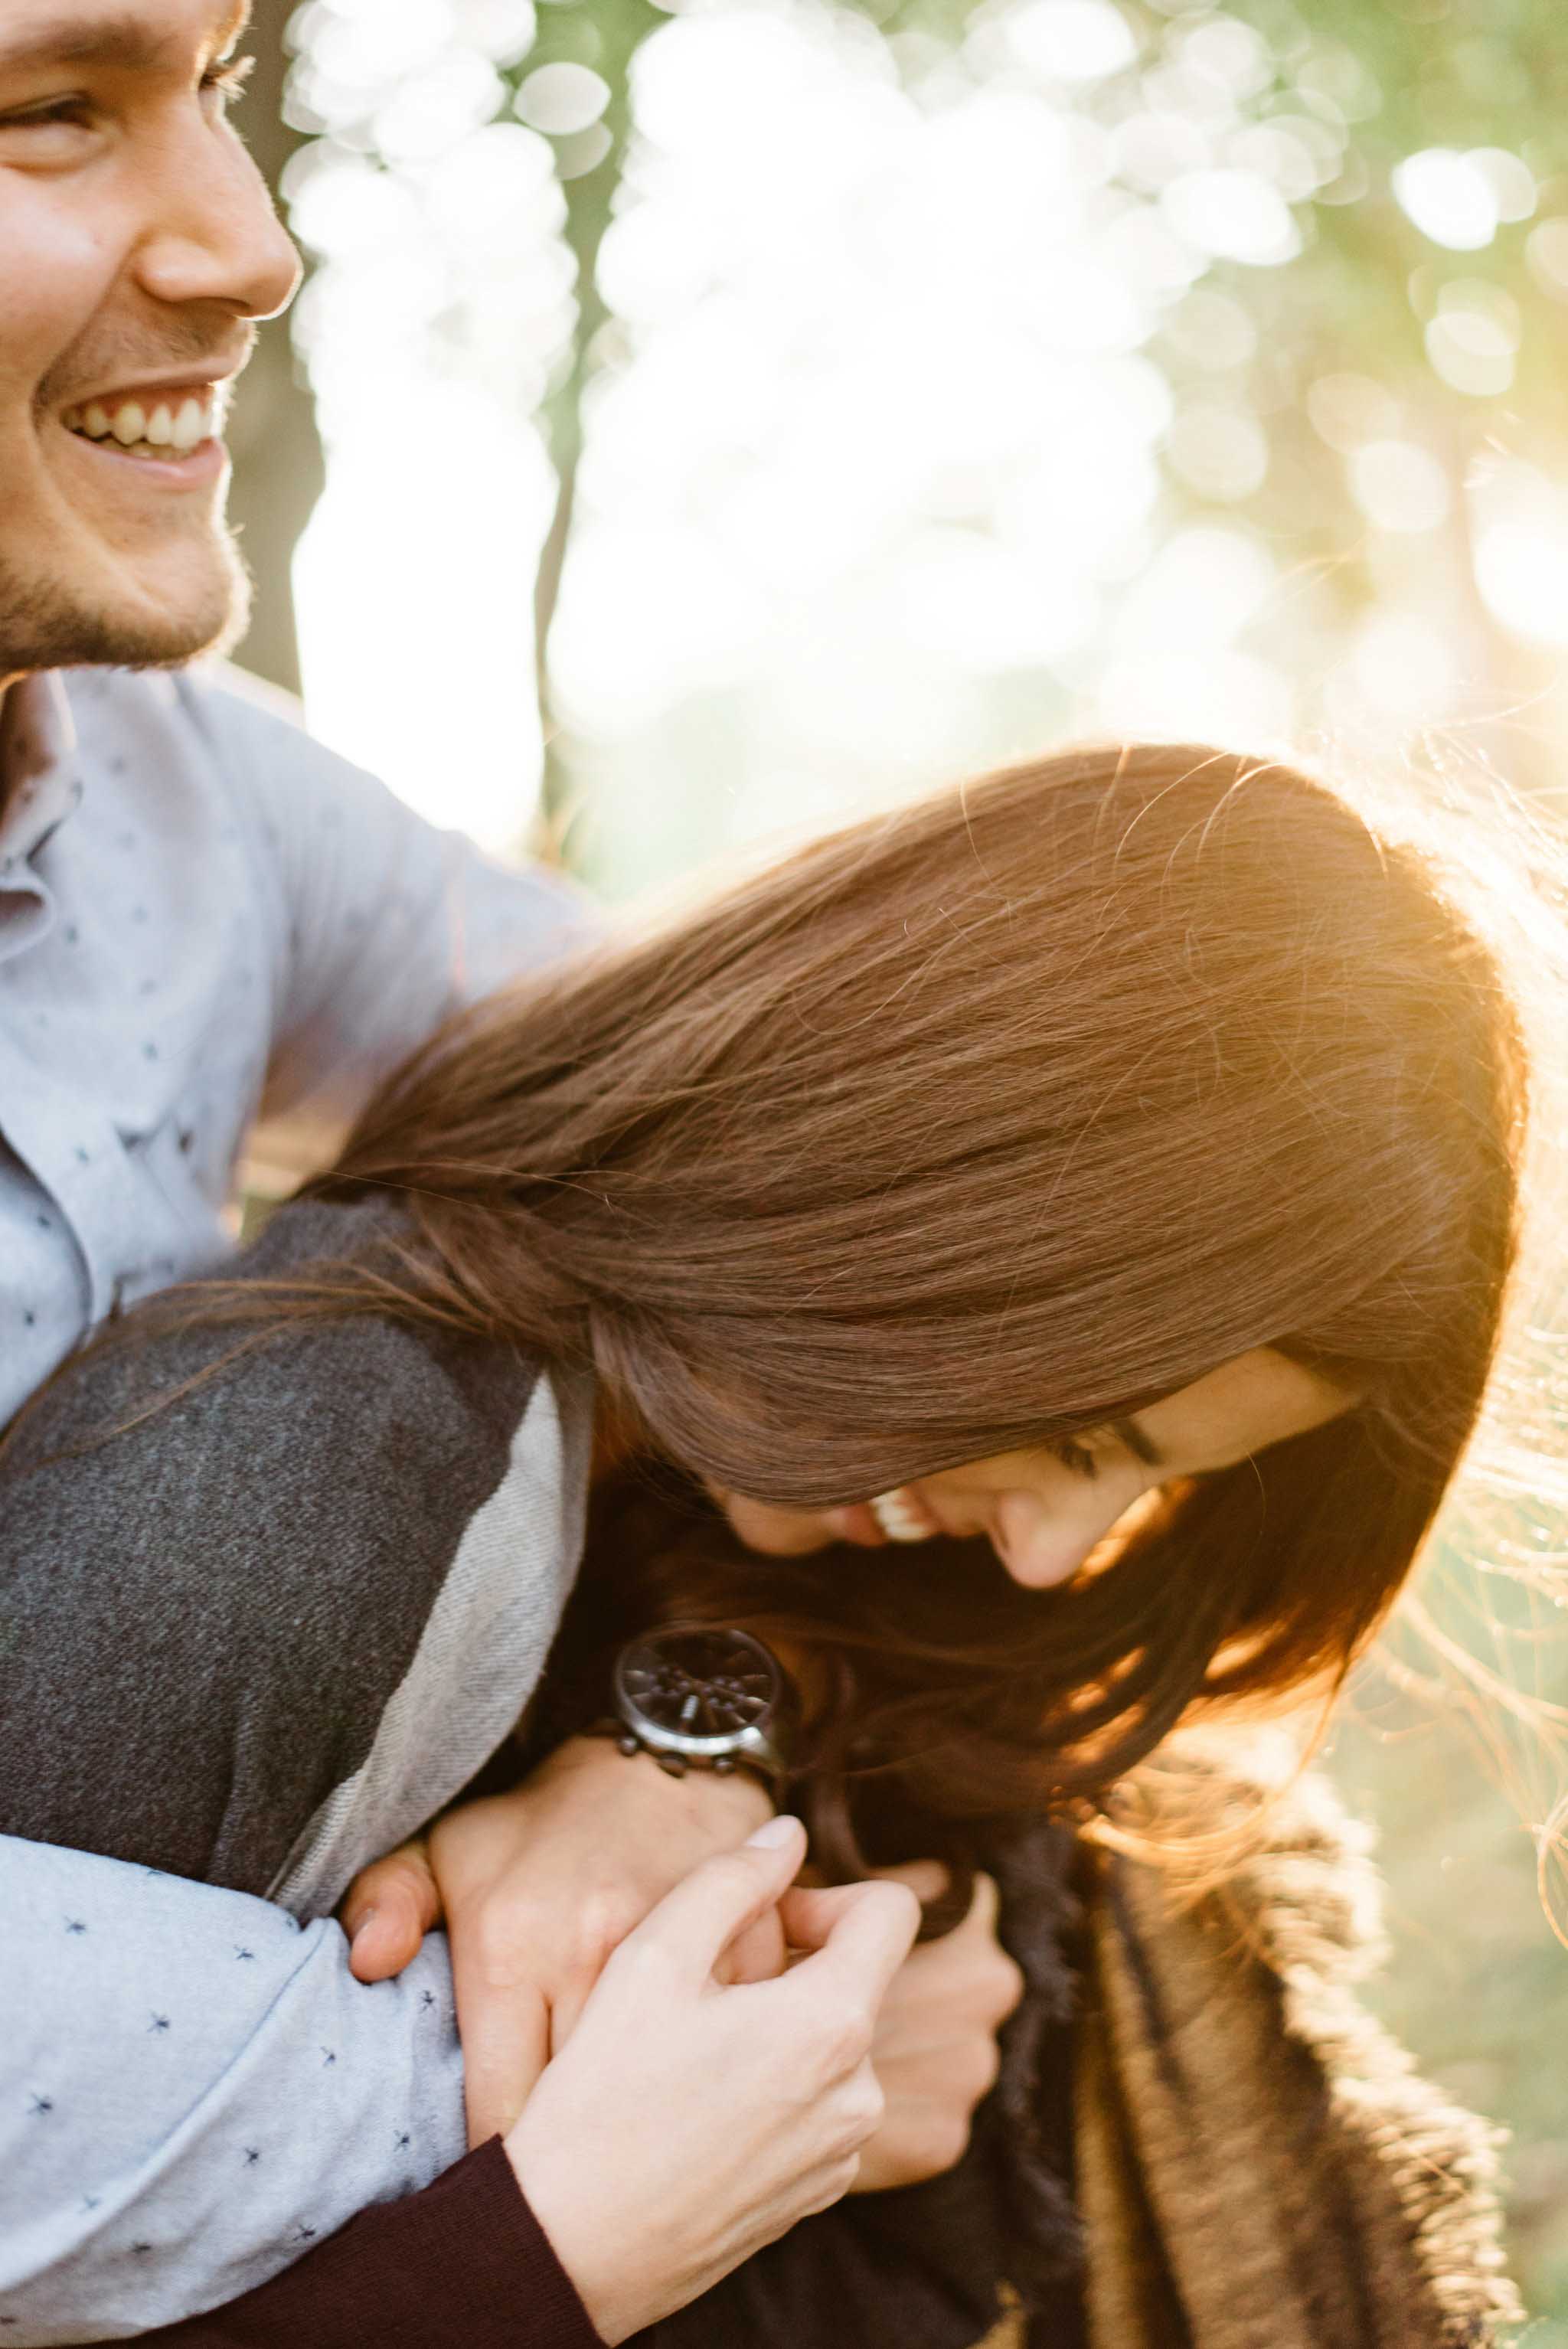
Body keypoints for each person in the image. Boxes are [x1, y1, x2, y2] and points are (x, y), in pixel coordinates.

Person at [0, 733, 1535, 2343]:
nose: (1047, 1557)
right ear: (899, 1174)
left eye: (1147, 1490)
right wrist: (576, 2214)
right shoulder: (300, 1510)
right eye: (1081, 1432)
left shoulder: (775, 1508)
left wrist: (685, 1736)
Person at [0, 0, 962, 2337]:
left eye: (219, 92)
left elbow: (744, 1139)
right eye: (51, 113)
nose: (250, 244)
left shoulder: (169, 791)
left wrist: (673, 1759)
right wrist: (697, 2051)